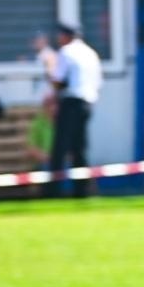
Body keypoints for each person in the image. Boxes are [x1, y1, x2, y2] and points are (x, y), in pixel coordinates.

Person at [44, 22, 102, 198]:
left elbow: (59, 81)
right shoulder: (91, 53)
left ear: (66, 36)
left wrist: (48, 70)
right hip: (88, 103)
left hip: (71, 102)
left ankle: (53, 190)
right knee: (79, 148)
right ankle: (81, 190)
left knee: (60, 147)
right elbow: (98, 82)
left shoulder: (66, 52)